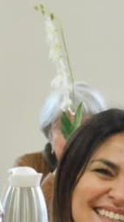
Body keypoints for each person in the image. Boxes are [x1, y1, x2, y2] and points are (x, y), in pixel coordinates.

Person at [14, 82, 106, 212]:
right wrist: (62, 172)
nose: (74, 137)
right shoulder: (28, 167)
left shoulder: (108, 172)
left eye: (84, 128)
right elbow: (21, 221)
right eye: (65, 127)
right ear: (49, 134)